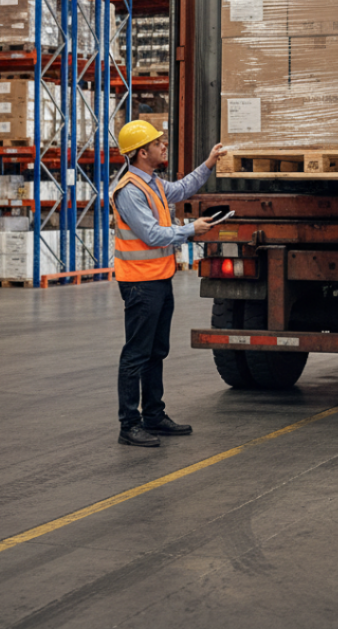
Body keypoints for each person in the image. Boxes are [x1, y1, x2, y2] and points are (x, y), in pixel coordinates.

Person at [110, 119, 227, 448]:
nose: (164, 146)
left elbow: (184, 188)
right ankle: (129, 424)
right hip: (140, 285)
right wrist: (191, 230)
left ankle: (154, 415)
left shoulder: (155, 185)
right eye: (158, 143)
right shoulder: (130, 191)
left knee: (156, 352)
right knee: (136, 353)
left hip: (159, 280)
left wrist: (209, 164)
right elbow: (151, 234)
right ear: (142, 152)